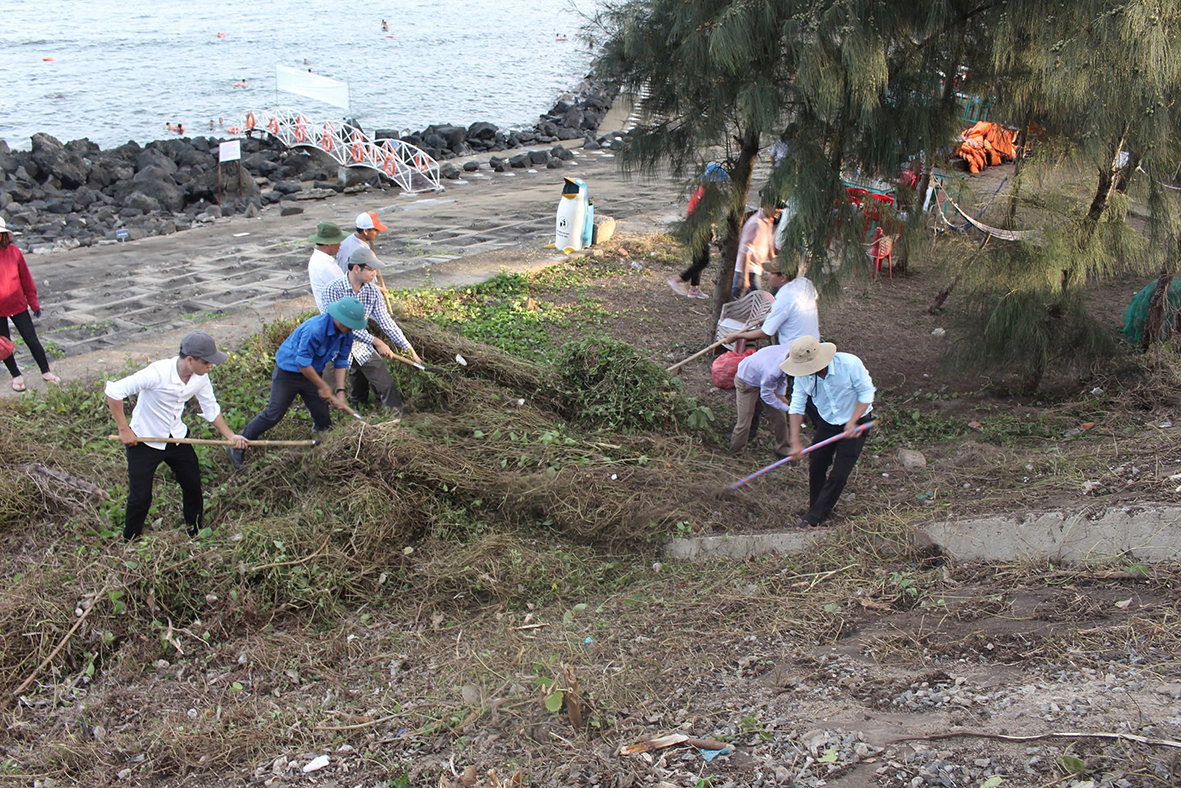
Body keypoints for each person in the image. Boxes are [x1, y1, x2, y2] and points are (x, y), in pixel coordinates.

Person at [104, 331, 247, 541]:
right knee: (140, 496)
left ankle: (194, 532)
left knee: (192, 484)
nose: (210, 366)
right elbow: (114, 392)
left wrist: (230, 436)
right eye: (207, 362)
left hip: (177, 437)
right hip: (145, 440)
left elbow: (210, 407)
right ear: (190, 360)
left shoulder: (201, 378)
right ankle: (130, 541)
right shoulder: (157, 373)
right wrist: (124, 429)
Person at [227, 297, 367, 468]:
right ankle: (239, 444)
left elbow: (341, 362)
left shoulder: (346, 334)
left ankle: (323, 446)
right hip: (289, 373)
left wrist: (340, 391)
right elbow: (302, 363)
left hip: (313, 372)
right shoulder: (314, 329)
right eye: (348, 323)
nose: (350, 327)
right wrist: (322, 385)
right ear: (338, 317)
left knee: (322, 416)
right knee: (273, 414)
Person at [783, 336, 875, 529]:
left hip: (856, 421)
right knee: (816, 463)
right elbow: (797, 406)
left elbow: (866, 393)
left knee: (839, 473)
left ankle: (816, 516)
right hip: (828, 421)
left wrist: (852, 422)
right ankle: (816, 508)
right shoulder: (803, 376)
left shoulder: (849, 364)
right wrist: (795, 443)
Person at [320, 246, 421, 416]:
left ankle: (398, 420)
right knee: (326, 392)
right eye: (371, 269)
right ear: (356, 268)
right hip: (334, 347)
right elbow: (339, 325)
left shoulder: (373, 292)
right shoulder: (332, 289)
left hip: (361, 346)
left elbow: (386, 321)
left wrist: (409, 349)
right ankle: (324, 428)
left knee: (386, 384)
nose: (374, 273)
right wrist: (375, 341)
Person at [0, 218, 58, 392]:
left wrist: (34, 303)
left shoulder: (14, 252)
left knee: (31, 339)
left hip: (18, 304)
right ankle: (16, 376)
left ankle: (46, 371)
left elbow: (26, 278)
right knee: (4, 345)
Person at [723, 255, 818, 347]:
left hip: (794, 349)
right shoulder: (805, 282)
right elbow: (815, 297)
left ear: (783, 277)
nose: (769, 275)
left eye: (772, 273)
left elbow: (765, 333)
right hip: (814, 343)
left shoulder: (784, 299)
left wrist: (737, 335)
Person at [669, 162, 729, 299]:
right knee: (703, 261)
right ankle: (679, 279)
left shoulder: (704, 189)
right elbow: (708, 215)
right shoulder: (708, 194)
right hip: (698, 227)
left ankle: (694, 289)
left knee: (697, 259)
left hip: (696, 226)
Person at [730, 343, 792, 458]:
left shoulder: (792, 351)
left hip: (762, 376)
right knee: (745, 420)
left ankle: (783, 450)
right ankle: (736, 452)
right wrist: (788, 409)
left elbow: (783, 377)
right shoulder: (772, 371)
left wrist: (782, 395)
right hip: (747, 381)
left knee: (780, 417)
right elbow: (766, 396)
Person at [733, 204, 781, 298]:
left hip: (756, 268)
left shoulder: (769, 221)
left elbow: (768, 244)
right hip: (748, 268)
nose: (778, 212)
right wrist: (744, 276)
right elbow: (746, 251)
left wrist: (774, 262)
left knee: (752, 298)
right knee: (750, 297)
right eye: (776, 209)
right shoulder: (756, 223)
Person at [306, 221, 348, 311]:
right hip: (337, 314)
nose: (340, 245)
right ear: (329, 243)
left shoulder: (316, 258)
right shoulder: (326, 266)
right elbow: (345, 290)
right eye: (337, 241)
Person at [335, 211, 388, 275]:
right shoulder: (361, 251)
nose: (378, 232)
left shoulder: (346, 241)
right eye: (376, 230)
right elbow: (366, 276)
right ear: (365, 231)